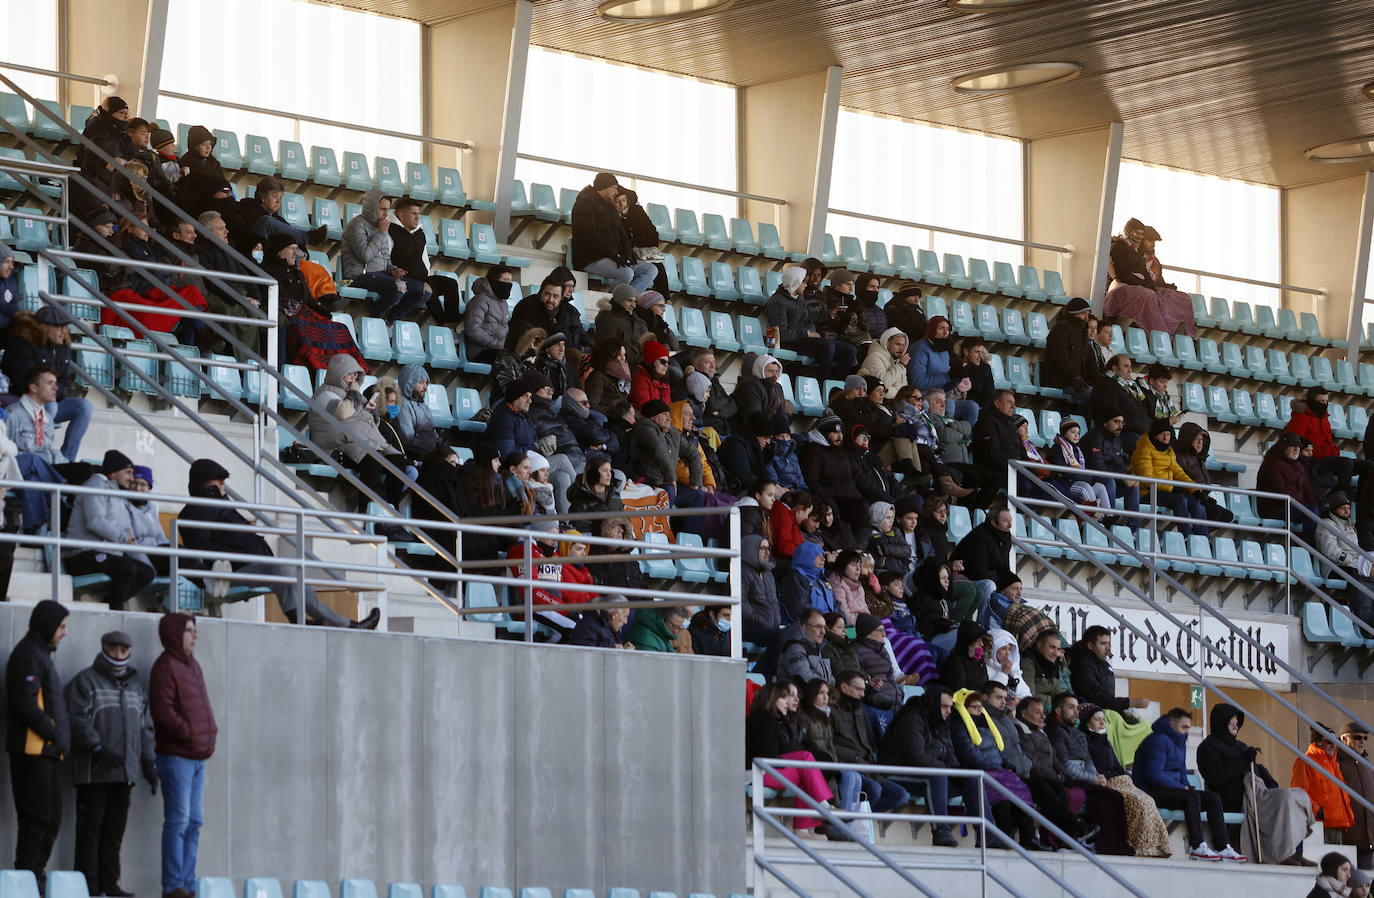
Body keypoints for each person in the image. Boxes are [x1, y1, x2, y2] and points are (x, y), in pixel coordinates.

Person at [177, 459, 380, 628]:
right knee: (281, 568)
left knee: (296, 576)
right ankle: (298, 621)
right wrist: (240, 554)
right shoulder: (195, 511)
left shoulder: (223, 505)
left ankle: (346, 624)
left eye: (223, 482)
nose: (223, 486)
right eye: (217, 482)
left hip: (250, 564)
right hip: (230, 570)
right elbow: (202, 548)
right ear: (203, 484)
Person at [64, 630, 158, 897]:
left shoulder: (136, 689)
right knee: (89, 831)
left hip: (124, 773)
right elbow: (75, 718)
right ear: (104, 647)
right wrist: (96, 747)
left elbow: (145, 729)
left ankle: (109, 884)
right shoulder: (85, 681)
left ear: (129, 651)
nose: (118, 655)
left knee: (113, 834)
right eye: (113, 649)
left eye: (123, 650)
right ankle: (87, 886)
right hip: (94, 773)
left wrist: (148, 764)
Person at [1196, 702, 1313, 866]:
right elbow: (1217, 778)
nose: (1235, 726)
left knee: (1298, 796)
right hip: (1236, 797)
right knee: (1284, 798)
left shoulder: (1240, 746)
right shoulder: (1208, 748)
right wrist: (1244, 761)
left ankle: (1296, 852)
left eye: (1237, 723)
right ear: (1221, 722)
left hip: (1257, 791)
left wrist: (1270, 781)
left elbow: (1256, 768)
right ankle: (1283, 854)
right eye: (1231, 722)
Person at [149, 614, 214, 898]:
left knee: (194, 822)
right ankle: (173, 886)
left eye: (195, 631)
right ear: (176, 634)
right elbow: (162, 711)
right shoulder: (165, 667)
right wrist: (188, 732)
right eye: (189, 631)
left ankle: (187, 884)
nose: (194, 636)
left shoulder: (193, 666)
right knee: (178, 822)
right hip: (177, 757)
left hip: (197, 757)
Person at [6, 600, 70, 885]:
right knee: (36, 820)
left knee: (51, 818)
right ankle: (25, 880)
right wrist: (53, 732)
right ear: (47, 626)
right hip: (33, 751)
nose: (64, 633)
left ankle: (34, 877)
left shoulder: (41, 654)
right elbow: (25, 702)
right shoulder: (28, 654)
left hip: (47, 752)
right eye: (61, 626)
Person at [1133, 708, 1246, 860]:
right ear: (1171, 723)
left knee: (1212, 798)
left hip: (1171, 790)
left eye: (1188, 728)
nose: (1187, 731)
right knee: (1191, 797)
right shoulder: (1157, 740)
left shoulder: (1180, 742)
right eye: (1184, 727)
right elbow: (1154, 775)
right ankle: (1197, 846)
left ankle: (1222, 846)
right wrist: (1183, 788)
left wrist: (1186, 785)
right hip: (1150, 791)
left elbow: (1181, 771)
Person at [309, 353, 406, 510]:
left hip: (353, 444)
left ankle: (393, 508)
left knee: (397, 460)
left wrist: (372, 413)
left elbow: (363, 422)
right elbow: (342, 414)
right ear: (337, 373)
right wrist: (354, 395)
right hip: (334, 449)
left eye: (355, 375)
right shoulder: (325, 394)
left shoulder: (348, 395)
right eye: (349, 375)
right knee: (374, 461)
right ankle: (364, 511)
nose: (352, 380)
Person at [950, 688, 1044, 850]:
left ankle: (1028, 837)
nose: (979, 710)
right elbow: (968, 753)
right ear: (964, 708)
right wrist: (992, 765)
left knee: (1022, 792)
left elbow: (997, 750)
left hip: (996, 770)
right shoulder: (959, 725)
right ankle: (1004, 836)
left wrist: (1007, 763)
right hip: (981, 771)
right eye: (974, 707)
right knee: (1002, 796)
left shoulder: (984, 723)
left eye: (980, 707)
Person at [65, 449, 157, 609]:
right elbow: (95, 521)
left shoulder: (119, 495)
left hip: (106, 553)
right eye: (128, 472)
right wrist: (123, 538)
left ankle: (107, 602)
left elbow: (125, 528)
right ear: (113, 473)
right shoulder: (95, 485)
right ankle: (115, 609)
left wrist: (132, 543)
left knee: (147, 573)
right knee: (127, 568)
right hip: (81, 553)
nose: (132, 478)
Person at [1078, 705, 1172, 857]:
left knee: (1148, 800)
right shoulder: (1085, 742)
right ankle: (1141, 846)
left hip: (1122, 781)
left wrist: (1125, 776)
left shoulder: (1105, 741)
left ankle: (1157, 847)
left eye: (1103, 719)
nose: (1102, 723)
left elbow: (1117, 765)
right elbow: (1093, 769)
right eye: (1097, 720)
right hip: (1107, 783)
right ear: (1087, 722)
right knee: (1137, 802)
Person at [2, 306, 94, 460]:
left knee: (84, 407)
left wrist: (51, 393)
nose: (63, 331)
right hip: (20, 402)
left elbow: (65, 381)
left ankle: (66, 460)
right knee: (49, 406)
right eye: (58, 327)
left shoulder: (62, 347)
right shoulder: (22, 344)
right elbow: (22, 382)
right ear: (44, 327)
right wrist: (47, 396)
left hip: (50, 401)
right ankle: (42, 456)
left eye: (64, 327)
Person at [745, 682, 837, 836]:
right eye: (784, 698)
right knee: (806, 758)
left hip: (763, 769)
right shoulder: (763, 717)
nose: (788, 702)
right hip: (755, 772)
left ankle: (802, 828)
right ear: (773, 698)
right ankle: (822, 805)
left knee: (806, 775)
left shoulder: (771, 718)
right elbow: (768, 754)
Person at [1044, 694, 1132, 854]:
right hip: (1069, 779)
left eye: (1077, 708)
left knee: (1115, 796)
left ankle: (1117, 846)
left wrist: (1097, 777)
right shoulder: (1055, 730)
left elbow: (1087, 760)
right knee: (1104, 799)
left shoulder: (1076, 733)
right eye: (1071, 707)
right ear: (1058, 710)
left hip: (1085, 778)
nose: (1076, 712)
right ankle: (1103, 846)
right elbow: (1065, 764)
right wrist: (1093, 779)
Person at [340, 191, 428, 323]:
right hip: (359, 276)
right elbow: (365, 255)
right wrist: (381, 233)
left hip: (380, 275)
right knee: (399, 286)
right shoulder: (357, 224)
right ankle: (373, 319)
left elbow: (386, 258)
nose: (386, 214)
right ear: (371, 208)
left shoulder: (381, 226)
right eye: (382, 209)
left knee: (426, 290)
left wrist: (393, 269)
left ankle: (389, 322)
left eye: (387, 210)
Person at [831, 669, 911, 812]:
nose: (862, 694)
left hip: (867, 765)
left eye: (863, 690)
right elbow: (829, 744)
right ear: (844, 688)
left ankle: (858, 817)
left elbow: (870, 741)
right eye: (859, 689)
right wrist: (854, 757)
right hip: (847, 766)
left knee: (901, 795)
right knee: (874, 790)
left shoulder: (860, 709)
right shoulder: (832, 711)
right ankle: (851, 820)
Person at [1103, 218, 1196, 336]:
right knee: (1149, 295)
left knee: (1182, 297)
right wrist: (1142, 282)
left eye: (1141, 234)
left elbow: (1147, 278)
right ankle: (1161, 336)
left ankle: (1185, 336)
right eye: (1136, 233)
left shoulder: (1140, 255)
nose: (1152, 244)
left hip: (1137, 289)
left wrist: (1163, 287)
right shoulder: (1117, 247)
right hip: (1119, 290)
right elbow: (1120, 274)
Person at [767, 266, 857, 382]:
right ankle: (823, 383)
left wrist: (830, 315)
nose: (806, 285)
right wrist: (807, 333)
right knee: (828, 346)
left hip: (805, 339)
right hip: (790, 342)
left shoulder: (798, 298)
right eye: (803, 282)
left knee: (850, 350)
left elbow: (807, 317)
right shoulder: (778, 302)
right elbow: (781, 333)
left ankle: (836, 382)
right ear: (795, 282)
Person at [571, 173, 656, 291]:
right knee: (626, 274)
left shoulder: (609, 207)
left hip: (613, 257)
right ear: (603, 188)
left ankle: (628, 298)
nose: (616, 192)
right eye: (614, 188)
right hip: (591, 259)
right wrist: (614, 255)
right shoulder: (583, 205)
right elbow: (591, 236)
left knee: (651, 269)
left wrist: (627, 255)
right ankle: (614, 303)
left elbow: (621, 234)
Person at [1131, 418, 1209, 537]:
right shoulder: (1144, 450)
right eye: (1162, 434)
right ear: (1155, 435)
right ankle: (1187, 536)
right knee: (1179, 500)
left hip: (1163, 491)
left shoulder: (1169, 451)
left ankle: (1202, 538)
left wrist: (1195, 489)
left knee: (1197, 502)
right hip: (1147, 492)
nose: (1166, 437)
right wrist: (1169, 486)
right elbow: (1147, 478)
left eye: (1168, 434)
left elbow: (1179, 473)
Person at [388, 197, 457, 324]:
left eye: (418, 214)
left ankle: (454, 324)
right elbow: (385, 256)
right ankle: (444, 325)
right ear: (401, 215)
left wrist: (426, 274)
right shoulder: (390, 231)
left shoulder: (419, 233)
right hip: (401, 279)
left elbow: (424, 258)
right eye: (414, 214)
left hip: (421, 278)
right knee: (427, 287)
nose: (417, 218)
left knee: (451, 284)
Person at [1289, 387, 1368, 493]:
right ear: (1311, 401)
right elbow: (1294, 442)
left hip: (1330, 458)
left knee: (1368, 466)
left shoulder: (1325, 420)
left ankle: (1362, 501)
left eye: (1326, 401)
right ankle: (1339, 499)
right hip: (1314, 462)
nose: (1324, 404)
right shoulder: (1300, 419)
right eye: (1321, 401)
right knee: (1346, 463)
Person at [1068, 625, 1150, 717]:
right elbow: (1097, 698)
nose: (1108, 648)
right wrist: (1130, 703)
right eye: (1103, 644)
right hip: (1091, 715)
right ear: (1090, 645)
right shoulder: (1082, 666)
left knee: (1144, 725)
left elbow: (1108, 698)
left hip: (1106, 711)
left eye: (1109, 643)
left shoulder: (1104, 664)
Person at [1293, 725, 1356, 837]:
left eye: (1334, 741)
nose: (1333, 745)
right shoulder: (1305, 762)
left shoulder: (1334, 765)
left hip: (1338, 827)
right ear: (1317, 742)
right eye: (1329, 741)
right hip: (1319, 827)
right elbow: (1298, 793)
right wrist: (1318, 812)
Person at [1081, 412, 1140, 531]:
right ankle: (1110, 524)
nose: (1120, 426)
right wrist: (1123, 477)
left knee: (1133, 485)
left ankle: (1134, 529)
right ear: (1105, 422)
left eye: (1122, 422)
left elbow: (1119, 465)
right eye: (1116, 422)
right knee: (1110, 482)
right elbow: (1097, 468)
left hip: (1109, 477)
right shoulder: (1094, 437)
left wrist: (1128, 476)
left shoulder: (1116, 439)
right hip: (1090, 479)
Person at [951, 505, 1014, 612]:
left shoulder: (1006, 537)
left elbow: (1004, 567)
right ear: (993, 522)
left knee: (1012, 587)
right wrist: (1000, 587)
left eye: (1010, 520)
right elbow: (979, 571)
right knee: (989, 585)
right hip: (966, 578)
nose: (1010, 525)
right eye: (1005, 521)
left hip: (987, 577)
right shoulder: (979, 536)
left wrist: (1010, 584)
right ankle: (983, 624)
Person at [1044, 420, 1114, 511]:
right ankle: (1092, 517)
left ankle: (1108, 516)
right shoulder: (1057, 448)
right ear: (1064, 433)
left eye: (1078, 433)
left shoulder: (1077, 449)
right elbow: (1064, 472)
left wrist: (1086, 477)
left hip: (1078, 481)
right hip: (1065, 484)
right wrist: (1086, 477)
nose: (1076, 435)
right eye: (1073, 432)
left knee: (1100, 487)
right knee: (1085, 487)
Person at [1041, 298, 1097, 404]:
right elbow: (1060, 358)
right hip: (1061, 382)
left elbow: (1090, 362)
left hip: (1079, 383)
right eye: (1083, 314)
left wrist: (1101, 382)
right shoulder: (1060, 329)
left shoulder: (1083, 333)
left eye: (1087, 314)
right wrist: (1075, 377)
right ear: (1073, 314)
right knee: (1095, 397)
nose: (1086, 318)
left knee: (1105, 395)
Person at [1257, 431, 1317, 525]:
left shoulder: (1298, 465)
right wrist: (1303, 506)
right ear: (1283, 447)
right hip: (1274, 510)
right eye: (1293, 446)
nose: (1297, 449)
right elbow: (1280, 492)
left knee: (1324, 513)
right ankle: (1309, 540)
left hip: (1294, 507)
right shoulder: (1271, 464)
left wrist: (1314, 506)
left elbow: (1307, 490)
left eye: (1298, 446)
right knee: (1311, 512)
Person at [1091, 355, 1152, 449]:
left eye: (1130, 367)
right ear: (1115, 368)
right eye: (1126, 366)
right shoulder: (1106, 385)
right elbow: (1111, 415)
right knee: (1148, 448)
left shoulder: (1128, 387)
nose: (1130, 370)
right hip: (1123, 435)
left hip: (1142, 433)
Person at [1338, 721, 1374, 871]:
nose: (1362, 741)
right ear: (1344, 739)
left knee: (1364, 885)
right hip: (1347, 836)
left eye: (1365, 738)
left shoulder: (1367, 765)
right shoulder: (1337, 763)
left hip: (1368, 837)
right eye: (1357, 737)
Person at [970, 389, 1020, 493]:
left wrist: (1029, 469)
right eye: (1009, 402)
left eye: (1014, 403)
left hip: (1012, 469)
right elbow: (992, 456)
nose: (1013, 407)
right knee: (1024, 483)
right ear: (997, 403)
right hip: (992, 471)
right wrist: (1016, 467)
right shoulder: (986, 423)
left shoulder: (1011, 425)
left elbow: (1021, 450)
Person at [463, 266, 513, 363]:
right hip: (480, 351)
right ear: (494, 281)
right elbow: (472, 330)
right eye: (505, 280)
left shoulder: (503, 303)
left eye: (510, 281)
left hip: (498, 350)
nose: (509, 285)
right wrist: (495, 343)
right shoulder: (480, 301)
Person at [742, 534, 782, 648]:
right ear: (750, 549)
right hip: (750, 628)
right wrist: (759, 620)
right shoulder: (741, 572)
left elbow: (775, 602)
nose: (767, 553)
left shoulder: (768, 574)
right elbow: (741, 604)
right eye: (762, 548)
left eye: (768, 549)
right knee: (781, 641)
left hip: (770, 628)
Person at [777, 607, 834, 685]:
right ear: (804, 627)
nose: (823, 632)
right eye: (818, 627)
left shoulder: (821, 648)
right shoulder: (794, 648)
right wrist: (828, 690)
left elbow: (830, 678)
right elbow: (805, 678)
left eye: (824, 627)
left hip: (821, 694)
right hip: (799, 696)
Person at [858, 327, 910, 396]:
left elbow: (903, 385)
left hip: (897, 399)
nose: (901, 348)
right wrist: (901, 365)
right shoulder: (875, 356)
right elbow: (883, 384)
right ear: (887, 343)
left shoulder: (899, 359)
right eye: (898, 344)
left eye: (903, 345)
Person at [566, 595, 632, 649]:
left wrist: (625, 652)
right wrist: (613, 649)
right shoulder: (588, 626)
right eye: (625, 617)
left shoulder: (613, 628)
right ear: (614, 615)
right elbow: (584, 652)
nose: (625, 622)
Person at [624, 606, 689, 654]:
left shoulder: (660, 634)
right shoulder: (646, 638)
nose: (676, 631)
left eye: (680, 627)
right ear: (663, 619)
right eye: (674, 626)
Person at [630, 340, 672, 411]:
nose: (666, 365)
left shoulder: (664, 383)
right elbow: (644, 409)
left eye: (668, 362)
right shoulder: (640, 380)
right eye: (663, 362)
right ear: (651, 361)